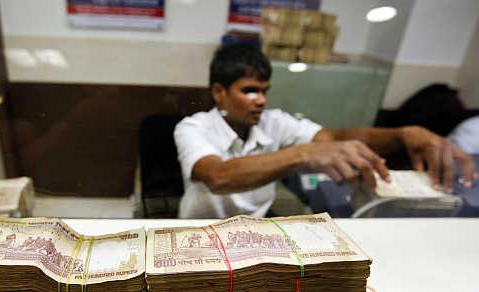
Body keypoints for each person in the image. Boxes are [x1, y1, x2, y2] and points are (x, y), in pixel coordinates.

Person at [174, 44, 475, 218]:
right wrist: (303, 153)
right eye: (250, 91)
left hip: (255, 231)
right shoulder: (193, 127)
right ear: (219, 92)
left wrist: (402, 134)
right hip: (202, 229)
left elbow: (336, 138)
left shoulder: (274, 121)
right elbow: (218, 176)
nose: (261, 100)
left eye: (265, 91)